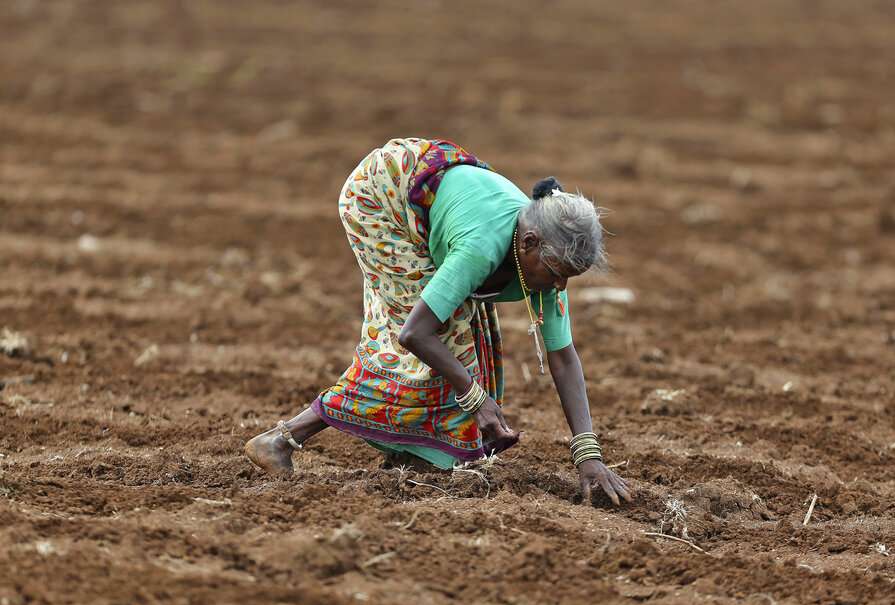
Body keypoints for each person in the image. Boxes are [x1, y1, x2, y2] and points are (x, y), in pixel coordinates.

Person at [245, 138, 631, 505]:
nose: (560, 285)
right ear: (528, 243)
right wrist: (475, 398)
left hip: (429, 197)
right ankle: (282, 438)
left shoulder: (543, 258)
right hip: (381, 200)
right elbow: (414, 334)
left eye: (569, 278)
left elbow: (563, 358)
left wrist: (588, 454)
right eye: (557, 272)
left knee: (463, 341)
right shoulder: (481, 249)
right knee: (440, 340)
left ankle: (413, 453)